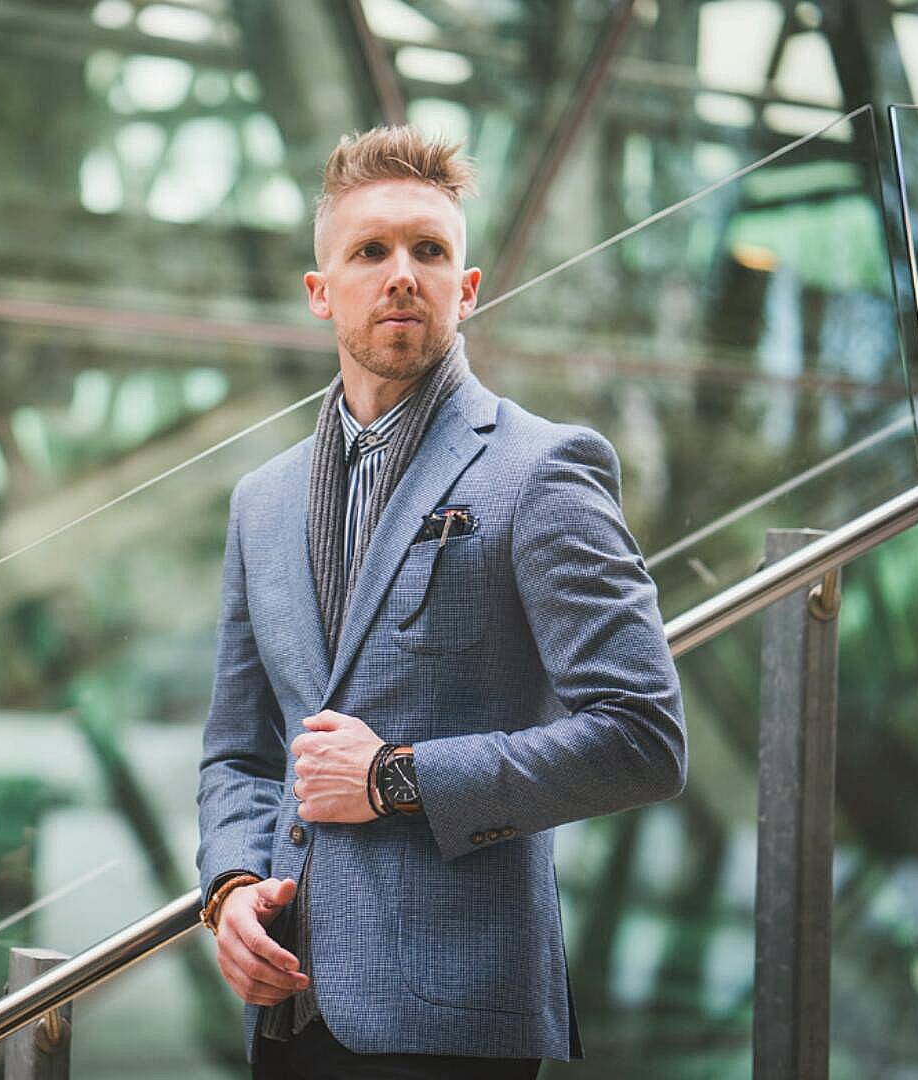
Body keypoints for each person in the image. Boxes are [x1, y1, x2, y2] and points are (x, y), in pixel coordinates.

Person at [196, 125, 686, 1079]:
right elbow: (239, 748)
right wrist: (231, 884)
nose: (401, 274)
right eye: (370, 251)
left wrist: (397, 778)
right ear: (319, 290)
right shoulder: (261, 500)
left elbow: (644, 736)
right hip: (290, 1010)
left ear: (466, 289)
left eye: (430, 250)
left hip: (456, 1021)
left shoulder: (543, 471)